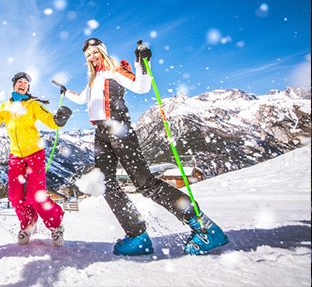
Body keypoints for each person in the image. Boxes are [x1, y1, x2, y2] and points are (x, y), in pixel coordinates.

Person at [61, 38, 228, 256]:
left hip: (118, 128)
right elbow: (83, 99)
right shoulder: (93, 80)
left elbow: (141, 86)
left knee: (145, 183)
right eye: (88, 56)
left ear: (102, 51)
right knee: (105, 183)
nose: (92, 57)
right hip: (101, 133)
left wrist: (141, 63)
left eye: (95, 52)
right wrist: (65, 93)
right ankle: (137, 235)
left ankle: (204, 228)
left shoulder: (115, 70)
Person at [0, 72, 72, 246]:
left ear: (28, 88)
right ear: (14, 85)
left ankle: (56, 224)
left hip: (34, 154)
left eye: (25, 83)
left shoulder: (32, 105)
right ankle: (28, 223)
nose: (22, 84)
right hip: (15, 155)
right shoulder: (4, 107)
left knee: (35, 195)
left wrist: (59, 120)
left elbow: (50, 121)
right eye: (19, 82)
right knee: (15, 196)